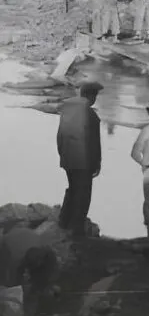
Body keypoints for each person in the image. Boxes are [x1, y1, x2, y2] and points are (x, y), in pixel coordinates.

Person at [57, 81, 103, 237]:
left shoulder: (68, 111)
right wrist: (97, 164)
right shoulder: (91, 115)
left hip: (68, 158)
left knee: (73, 188)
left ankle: (64, 221)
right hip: (84, 160)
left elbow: (59, 136)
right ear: (92, 96)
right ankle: (76, 230)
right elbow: (94, 143)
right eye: (95, 95)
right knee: (83, 194)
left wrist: (63, 155)